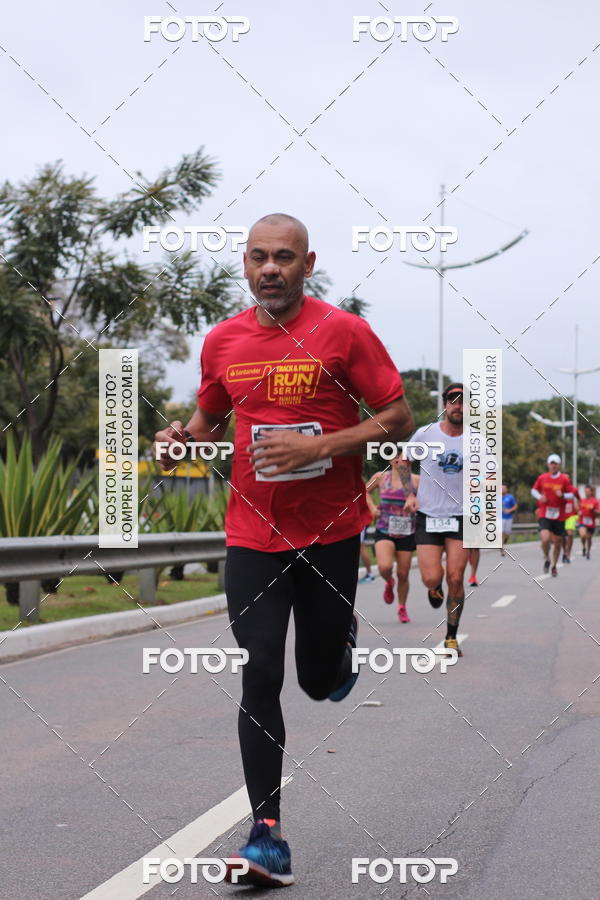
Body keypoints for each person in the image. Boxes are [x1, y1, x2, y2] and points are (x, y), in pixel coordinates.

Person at [153, 213, 414, 888]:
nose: (270, 268)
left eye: (284, 257)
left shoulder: (344, 331)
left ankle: (339, 645)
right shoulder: (223, 340)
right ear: (245, 264)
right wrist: (183, 440)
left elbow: (397, 416)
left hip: (331, 532)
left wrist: (316, 446)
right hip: (252, 535)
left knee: (317, 681)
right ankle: (266, 835)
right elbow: (210, 418)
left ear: (308, 264)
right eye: (258, 257)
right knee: (259, 667)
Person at [403, 383, 469, 658]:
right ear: (445, 405)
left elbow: (488, 475)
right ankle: (435, 587)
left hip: (461, 517)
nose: (458, 406)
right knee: (431, 578)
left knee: (456, 576)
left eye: (463, 401)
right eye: (453, 400)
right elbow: (403, 460)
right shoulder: (425, 434)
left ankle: (451, 636)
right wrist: (409, 494)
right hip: (428, 515)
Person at [366, 454, 419, 622]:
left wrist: (416, 507)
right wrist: (372, 508)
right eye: (396, 456)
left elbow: (426, 502)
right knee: (384, 567)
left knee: (403, 573)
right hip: (384, 529)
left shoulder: (416, 481)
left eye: (404, 457)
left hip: (407, 532)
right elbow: (364, 492)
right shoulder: (380, 477)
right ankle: (389, 581)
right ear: (390, 460)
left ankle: (402, 608)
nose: (400, 460)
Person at [531, 454, 575, 577]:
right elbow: (533, 490)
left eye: (555, 463)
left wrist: (563, 495)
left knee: (558, 543)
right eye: (551, 463)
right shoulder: (542, 477)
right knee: (545, 539)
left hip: (559, 515)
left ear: (559, 465)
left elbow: (572, 494)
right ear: (548, 464)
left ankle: (554, 565)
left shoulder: (564, 479)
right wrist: (540, 497)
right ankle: (547, 558)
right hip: (545, 513)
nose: (553, 465)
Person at [578, 485, 599, 559]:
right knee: (583, 535)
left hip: (591, 522)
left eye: (588, 491)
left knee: (589, 538)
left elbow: (598, 512)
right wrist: (579, 512)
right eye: (585, 491)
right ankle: (584, 547)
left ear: (591, 492)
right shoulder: (582, 500)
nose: (586, 493)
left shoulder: (595, 501)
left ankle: (588, 551)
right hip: (582, 521)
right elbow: (578, 509)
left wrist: (593, 509)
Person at [562, 486, 580, 563]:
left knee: (570, 534)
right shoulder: (558, 488)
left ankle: (568, 553)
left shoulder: (573, 489)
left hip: (571, 515)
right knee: (562, 536)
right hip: (561, 515)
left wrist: (578, 506)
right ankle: (565, 551)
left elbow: (579, 498)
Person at [501, 484, 518, 556]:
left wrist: (509, 510)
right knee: (501, 531)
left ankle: (504, 543)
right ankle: (502, 547)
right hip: (500, 518)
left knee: (507, 533)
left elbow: (515, 506)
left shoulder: (510, 497)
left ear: (506, 489)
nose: (503, 490)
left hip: (509, 518)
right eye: (501, 488)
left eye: (504, 488)